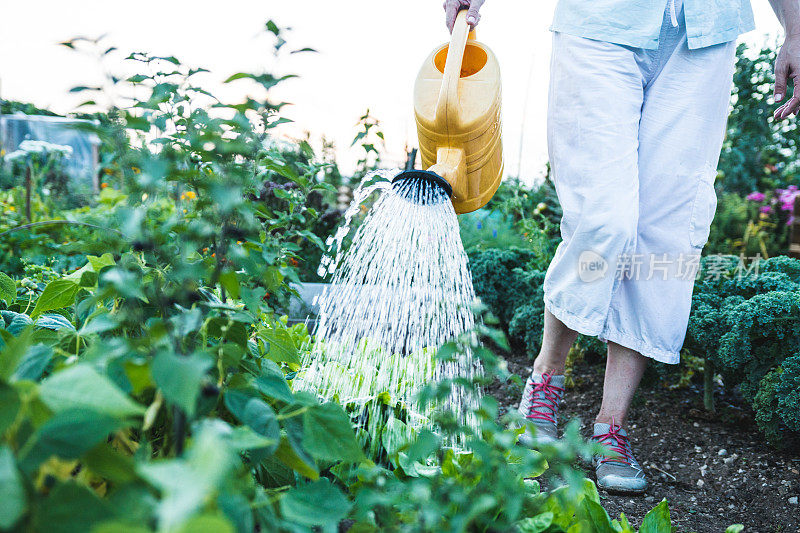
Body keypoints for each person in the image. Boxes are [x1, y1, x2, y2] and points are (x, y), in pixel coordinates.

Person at [444, 0, 800, 493]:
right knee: (603, 220)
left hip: (704, 32)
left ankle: (611, 426)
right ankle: (546, 379)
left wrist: (796, 28)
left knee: (667, 233)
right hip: (602, 21)